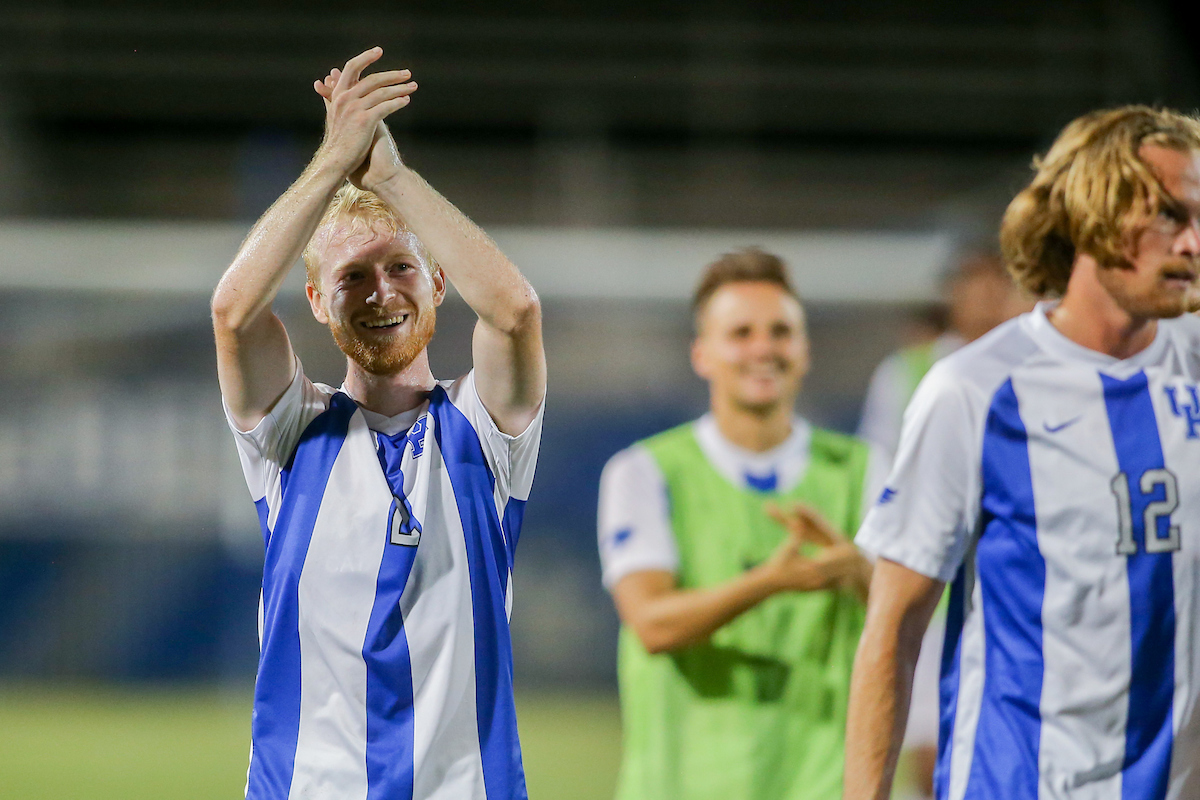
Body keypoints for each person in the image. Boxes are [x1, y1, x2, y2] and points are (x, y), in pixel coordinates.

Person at [212, 47, 545, 800]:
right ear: (319, 301)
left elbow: (516, 310)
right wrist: (333, 160)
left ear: (437, 282)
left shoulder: (486, 431)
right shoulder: (289, 434)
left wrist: (390, 177)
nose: (379, 292)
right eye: (351, 276)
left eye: (399, 267)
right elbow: (233, 315)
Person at [844, 105, 1200, 800]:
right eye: (1169, 215)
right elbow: (892, 629)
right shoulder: (974, 393)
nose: (1192, 242)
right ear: (1095, 212)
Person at [597, 249, 884, 800]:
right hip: (683, 785)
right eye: (741, 332)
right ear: (702, 354)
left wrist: (856, 571)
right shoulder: (645, 471)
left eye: (780, 331)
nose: (763, 348)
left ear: (804, 349)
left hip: (822, 783)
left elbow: (911, 618)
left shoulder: (865, 469)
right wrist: (770, 582)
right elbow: (652, 625)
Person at [855, 250, 1032, 800]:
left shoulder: (1034, 366)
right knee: (930, 743)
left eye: (994, 285)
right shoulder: (915, 370)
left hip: (1004, 585)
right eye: (972, 286)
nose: (984, 298)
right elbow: (878, 463)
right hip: (931, 568)